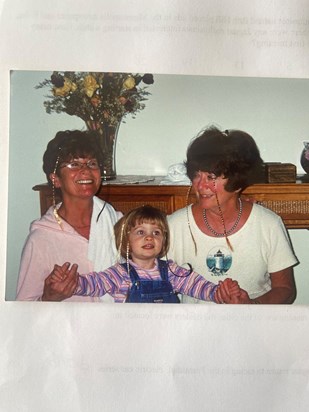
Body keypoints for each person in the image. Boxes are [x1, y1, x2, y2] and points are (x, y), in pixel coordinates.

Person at [167, 125, 298, 304]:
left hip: (254, 325)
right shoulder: (174, 225)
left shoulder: (268, 223)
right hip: (195, 328)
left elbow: (285, 290)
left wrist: (251, 305)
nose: (200, 185)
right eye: (197, 175)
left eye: (211, 177)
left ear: (237, 182)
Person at [49, 205, 242, 303]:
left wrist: (219, 292)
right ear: (126, 240)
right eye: (141, 232)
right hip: (132, 340)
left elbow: (197, 286)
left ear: (163, 241)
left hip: (169, 339)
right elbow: (95, 284)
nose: (149, 238)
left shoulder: (173, 271)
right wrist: (73, 282)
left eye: (156, 233)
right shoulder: (119, 273)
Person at [16, 130, 122, 302]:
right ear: (55, 179)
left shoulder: (117, 223)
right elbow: (23, 310)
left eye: (92, 163)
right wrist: (49, 298)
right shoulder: (41, 239)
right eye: (74, 164)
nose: (86, 170)